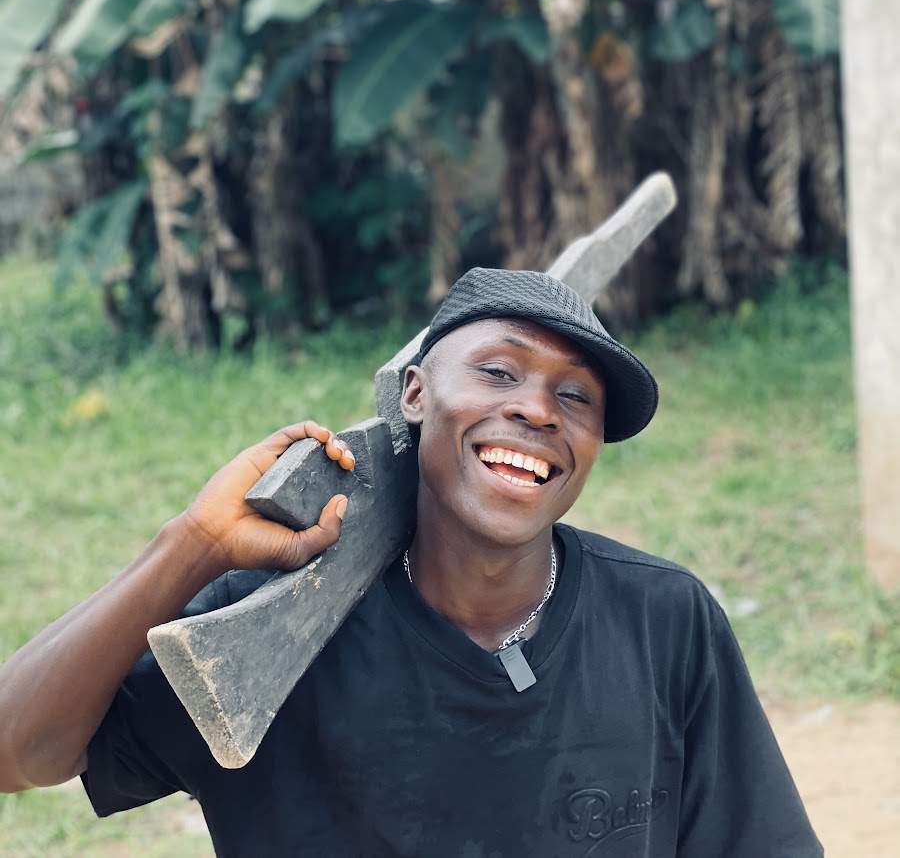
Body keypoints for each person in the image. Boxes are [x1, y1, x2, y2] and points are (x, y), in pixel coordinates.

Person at [0, 268, 822, 857]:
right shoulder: (271, 631)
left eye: (575, 397)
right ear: (416, 395)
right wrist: (193, 544)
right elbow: (18, 754)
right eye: (498, 372)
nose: (538, 409)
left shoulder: (661, 619)